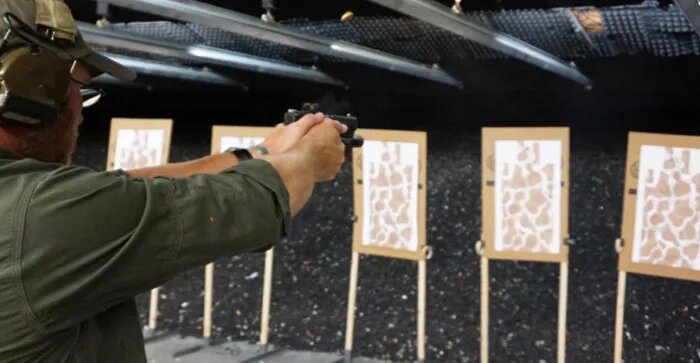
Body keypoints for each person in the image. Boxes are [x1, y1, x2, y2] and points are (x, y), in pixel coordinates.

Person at [0, 1, 346, 361]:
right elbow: (257, 199)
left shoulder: (25, 208)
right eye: (76, 88)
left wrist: (257, 153)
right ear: (31, 85)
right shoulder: (42, 221)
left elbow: (125, 188)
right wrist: (311, 155)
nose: (78, 112)